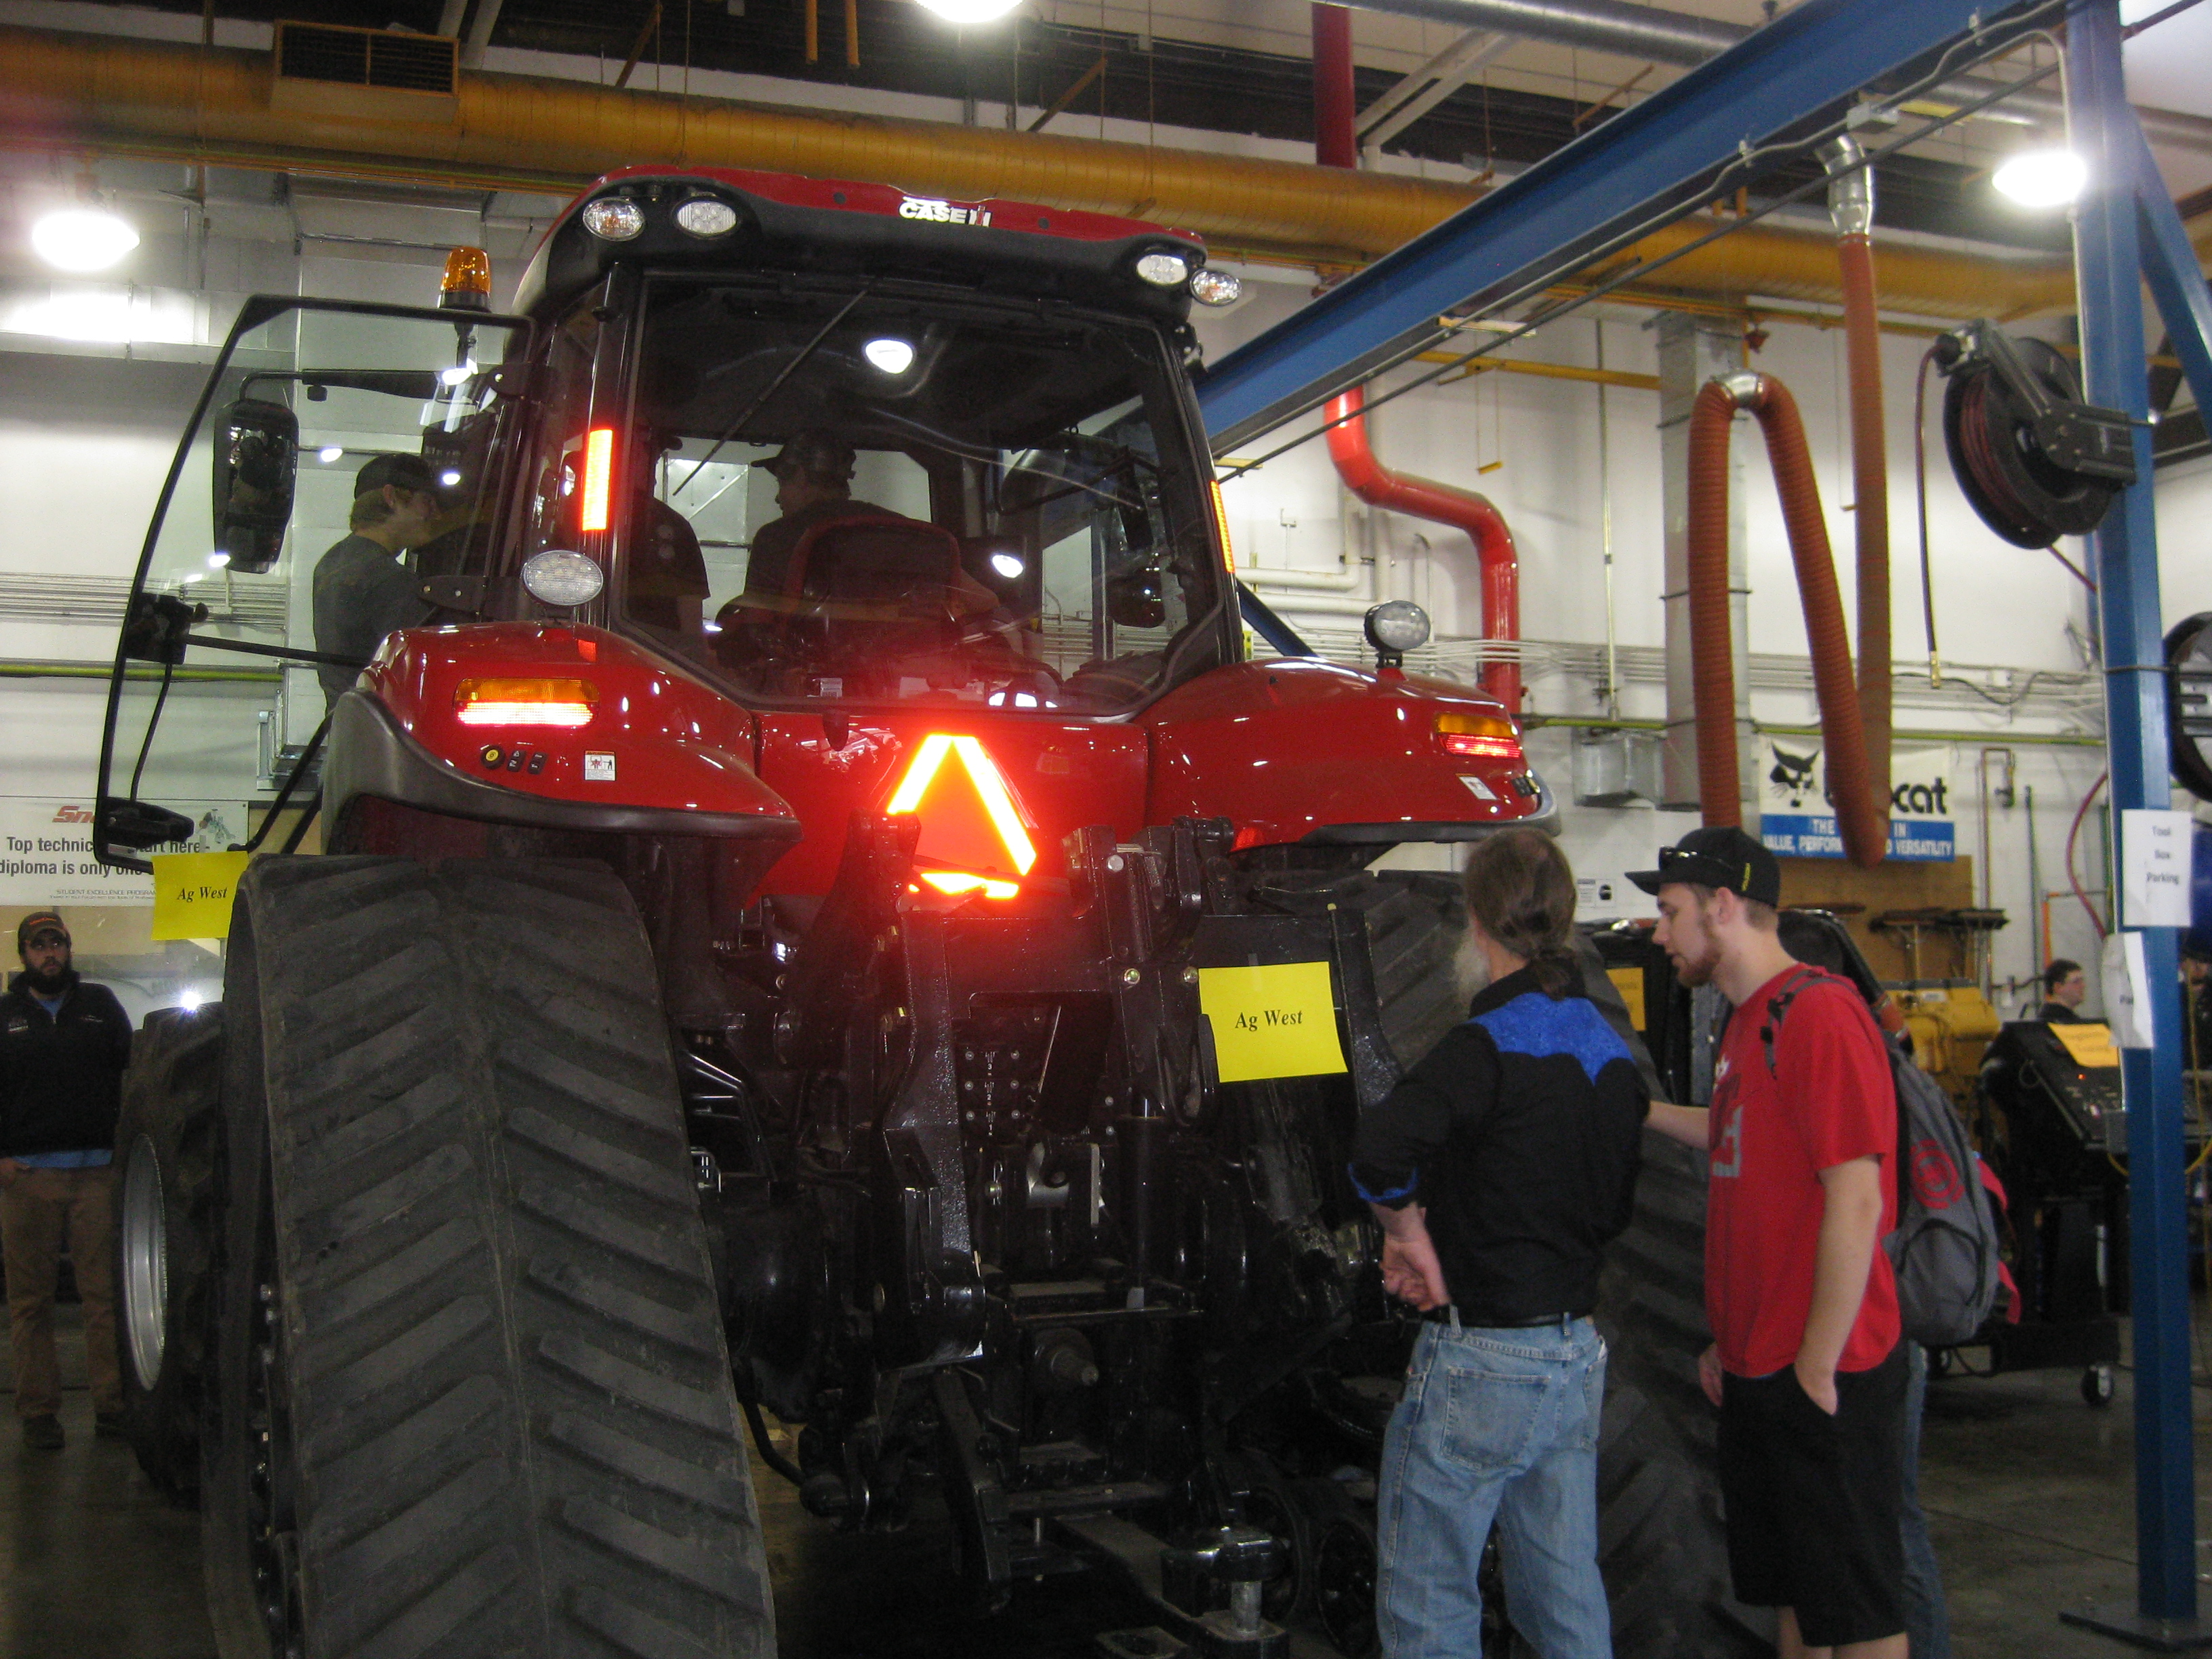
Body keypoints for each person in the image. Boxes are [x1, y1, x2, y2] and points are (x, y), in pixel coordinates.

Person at [1351, 828, 1648, 1658]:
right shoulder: (1611, 1055)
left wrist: (1410, 1236)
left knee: (1429, 1604)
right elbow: (1613, 1211)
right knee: (1564, 1593)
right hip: (1574, 1356)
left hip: (1481, 1357)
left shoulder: (1484, 1047)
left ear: (1476, 922)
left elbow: (1379, 1153)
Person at [1634, 827, 1906, 1659]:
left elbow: (1857, 1198)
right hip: (1760, 1364)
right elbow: (1738, 1138)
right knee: (1797, 1596)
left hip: (1825, 1369)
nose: (1659, 933)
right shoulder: (1747, 1021)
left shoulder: (1819, 1013)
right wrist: (1636, 1109)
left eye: (1671, 912)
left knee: (1857, 1611)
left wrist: (1815, 1366)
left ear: (1722, 906)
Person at [0, 912, 132, 1450]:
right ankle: (38, 1413)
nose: (49, 953)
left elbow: (132, 1073)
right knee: (30, 1304)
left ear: (69, 949)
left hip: (95, 1176)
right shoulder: (5, 1016)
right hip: (28, 1180)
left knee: (103, 1297)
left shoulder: (100, 1006)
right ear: (24, 954)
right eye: (39, 945)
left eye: (57, 943)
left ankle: (113, 1406)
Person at [311, 453, 443, 701]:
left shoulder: (332, 562)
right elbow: (426, 670)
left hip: (348, 716)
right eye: (426, 501)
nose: (436, 514)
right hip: (385, 718)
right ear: (391, 497)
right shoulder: (389, 578)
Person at [738, 430, 895, 598]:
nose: (778, 498)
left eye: (782, 483)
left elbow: (757, 611)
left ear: (801, 477)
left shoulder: (774, 538)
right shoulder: (894, 529)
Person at [2038, 958, 2089, 1023]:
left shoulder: (2068, 1019)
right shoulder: (2055, 1023)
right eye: (2076, 982)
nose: (2083, 986)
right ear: (2058, 988)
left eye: (2082, 981)